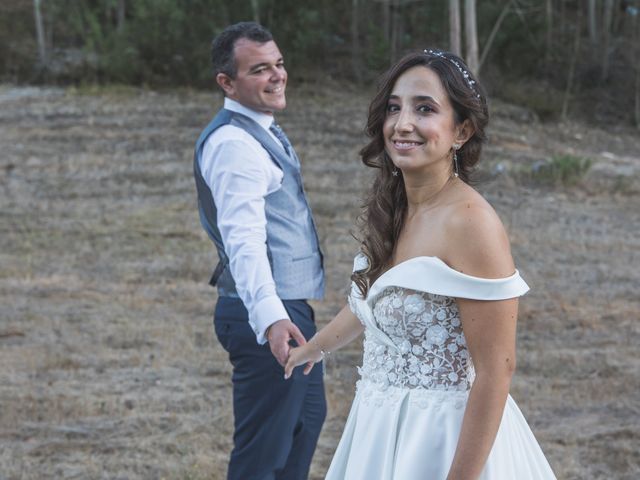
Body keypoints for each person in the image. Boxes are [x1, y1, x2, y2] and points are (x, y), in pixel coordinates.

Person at [285, 49, 557, 479]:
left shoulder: (472, 223)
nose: (402, 123)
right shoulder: (395, 207)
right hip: (377, 428)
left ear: (461, 131)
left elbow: (496, 371)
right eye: (394, 107)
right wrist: (314, 348)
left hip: (440, 438)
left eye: (424, 109)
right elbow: (370, 304)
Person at [193, 22, 326, 480]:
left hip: (290, 308)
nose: (277, 76)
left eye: (279, 64)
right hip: (265, 313)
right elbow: (244, 241)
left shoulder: (260, 130)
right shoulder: (234, 144)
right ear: (227, 83)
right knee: (263, 455)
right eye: (260, 69)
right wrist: (270, 319)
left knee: (303, 430)